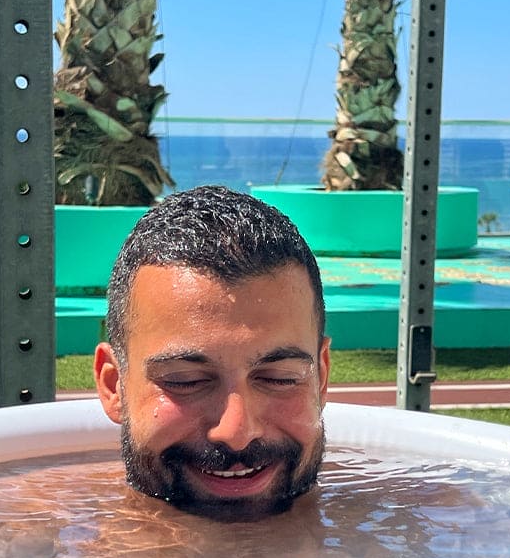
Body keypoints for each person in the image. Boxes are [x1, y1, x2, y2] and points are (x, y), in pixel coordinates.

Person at [93, 185, 331, 523]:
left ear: (321, 379)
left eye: (280, 379)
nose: (236, 433)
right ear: (114, 386)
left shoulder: (406, 521)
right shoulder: (30, 536)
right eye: (185, 381)